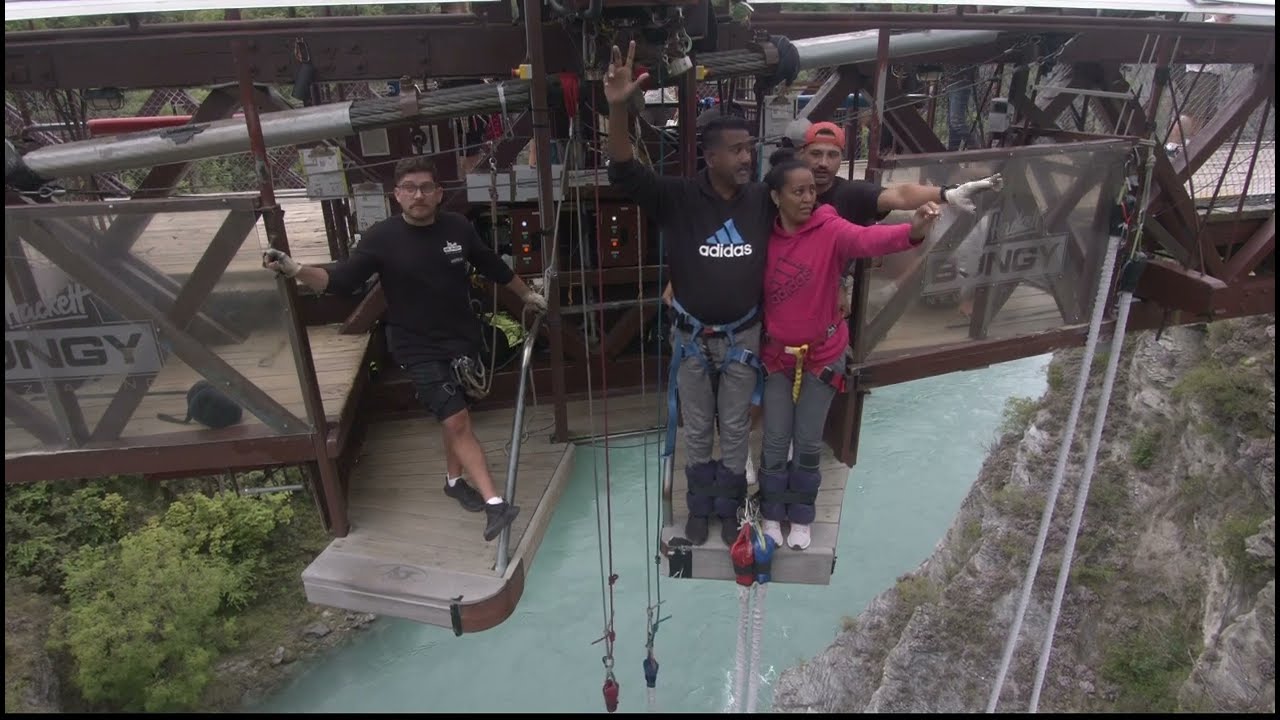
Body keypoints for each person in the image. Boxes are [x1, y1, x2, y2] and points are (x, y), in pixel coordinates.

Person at [262, 155, 547, 543]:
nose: (419, 195)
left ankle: (453, 481)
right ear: (397, 195)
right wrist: (296, 270)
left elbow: (492, 265)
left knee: (455, 415)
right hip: (416, 345)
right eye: (410, 188)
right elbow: (341, 280)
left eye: (427, 187)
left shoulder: (457, 228)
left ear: (439, 192)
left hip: (462, 338)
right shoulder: (381, 237)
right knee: (457, 420)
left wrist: (526, 294)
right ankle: (496, 504)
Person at [604, 41, 771, 547]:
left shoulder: (763, 200)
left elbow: (821, 209)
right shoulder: (677, 198)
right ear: (710, 155)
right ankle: (701, 507)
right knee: (699, 427)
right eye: (738, 150)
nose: (748, 157)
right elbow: (625, 172)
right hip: (694, 337)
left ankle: (732, 505)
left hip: (743, 333)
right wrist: (616, 108)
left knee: (736, 427)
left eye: (750, 148)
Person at [756, 148, 939, 550]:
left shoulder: (829, 227)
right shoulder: (762, 236)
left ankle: (800, 514)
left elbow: (867, 239)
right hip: (776, 357)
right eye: (798, 192)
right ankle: (772, 513)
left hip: (821, 354)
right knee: (774, 438)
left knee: (806, 440)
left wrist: (914, 230)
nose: (808, 199)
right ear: (775, 197)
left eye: (811, 192)